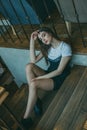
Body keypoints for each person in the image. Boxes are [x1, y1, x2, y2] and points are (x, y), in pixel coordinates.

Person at [21, 27, 72, 129]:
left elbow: (59, 71)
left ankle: (26, 117)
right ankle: (36, 100)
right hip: (49, 74)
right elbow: (33, 61)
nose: (43, 39)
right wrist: (32, 40)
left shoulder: (65, 47)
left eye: (44, 35)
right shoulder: (47, 47)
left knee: (34, 83)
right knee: (28, 66)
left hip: (58, 78)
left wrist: (39, 79)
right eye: (41, 39)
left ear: (50, 32)